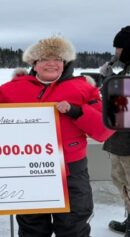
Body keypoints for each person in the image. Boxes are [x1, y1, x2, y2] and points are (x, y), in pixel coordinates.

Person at [0, 36, 114, 237]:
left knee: (73, 229)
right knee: (32, 228)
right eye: (44, 59)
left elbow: (104, 130)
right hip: (28, 170)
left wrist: (76, 111)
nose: (51, 63)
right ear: (34, 63)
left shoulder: (84, 88)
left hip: (71, 173)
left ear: (65, 63)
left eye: (57, 59)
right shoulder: (13, 89)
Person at [101, 25, 130, 237]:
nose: (116, 52)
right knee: (121, 180)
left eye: (118, 47)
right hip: (121, 136)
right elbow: (119, 105)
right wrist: (110, 79)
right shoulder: (127, 69)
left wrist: (110, 82)